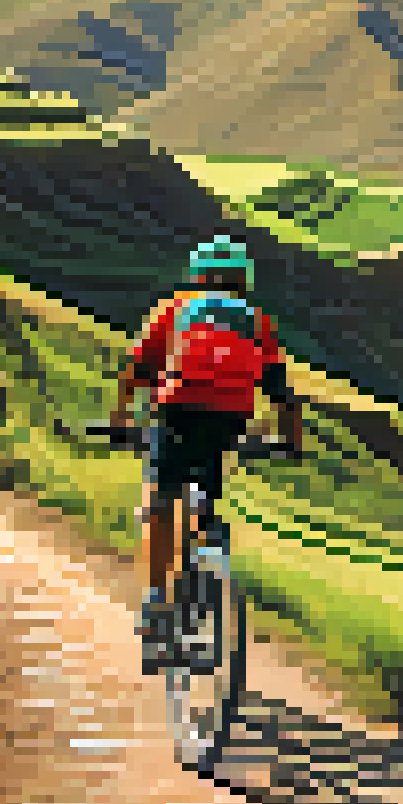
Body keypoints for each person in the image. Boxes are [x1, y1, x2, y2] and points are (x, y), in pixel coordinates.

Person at [111, 236, 305, 666]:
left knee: (161, 498)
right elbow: (280, 390)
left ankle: (156, 603)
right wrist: (290, 440)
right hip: (230, 417)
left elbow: (137, 369)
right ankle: (204, 570)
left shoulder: (175, 310)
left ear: (198, 276)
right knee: (207, 487)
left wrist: (120, 421)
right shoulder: (257, 322)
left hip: (177, 409)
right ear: (243, 280)